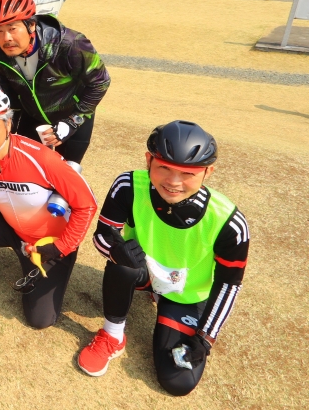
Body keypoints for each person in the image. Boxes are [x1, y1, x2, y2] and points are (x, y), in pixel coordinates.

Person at [78, 122, 248, 397]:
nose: (174, 181)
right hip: (143, 273)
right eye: (164, 168)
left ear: (208, 172)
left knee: (177, 382)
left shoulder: (229, 221)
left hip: (188, 296)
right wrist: (114, 250)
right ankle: (112, 335)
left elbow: (229, 284)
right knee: (122, 263)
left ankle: (166, 308)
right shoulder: (129, 185)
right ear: (149, 160)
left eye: (187, 173)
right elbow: (101, 235)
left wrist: (205, 338)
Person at [0, 85, 97, 329]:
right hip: (10, 226)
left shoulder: (41, 157)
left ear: (8, 124)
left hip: (49, 242)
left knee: (40, 320)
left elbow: (86, 205)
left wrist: (61, 247)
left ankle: (38, 259)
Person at [0, 0, 110, 164]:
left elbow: (100, 82)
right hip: (33, 117)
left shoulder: (70, 44)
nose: (6, 38)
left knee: (67, 172)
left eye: (13, 28)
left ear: (31, 25)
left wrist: (74, 121)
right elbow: (11, 95)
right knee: (27, 168)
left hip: (73, 116)